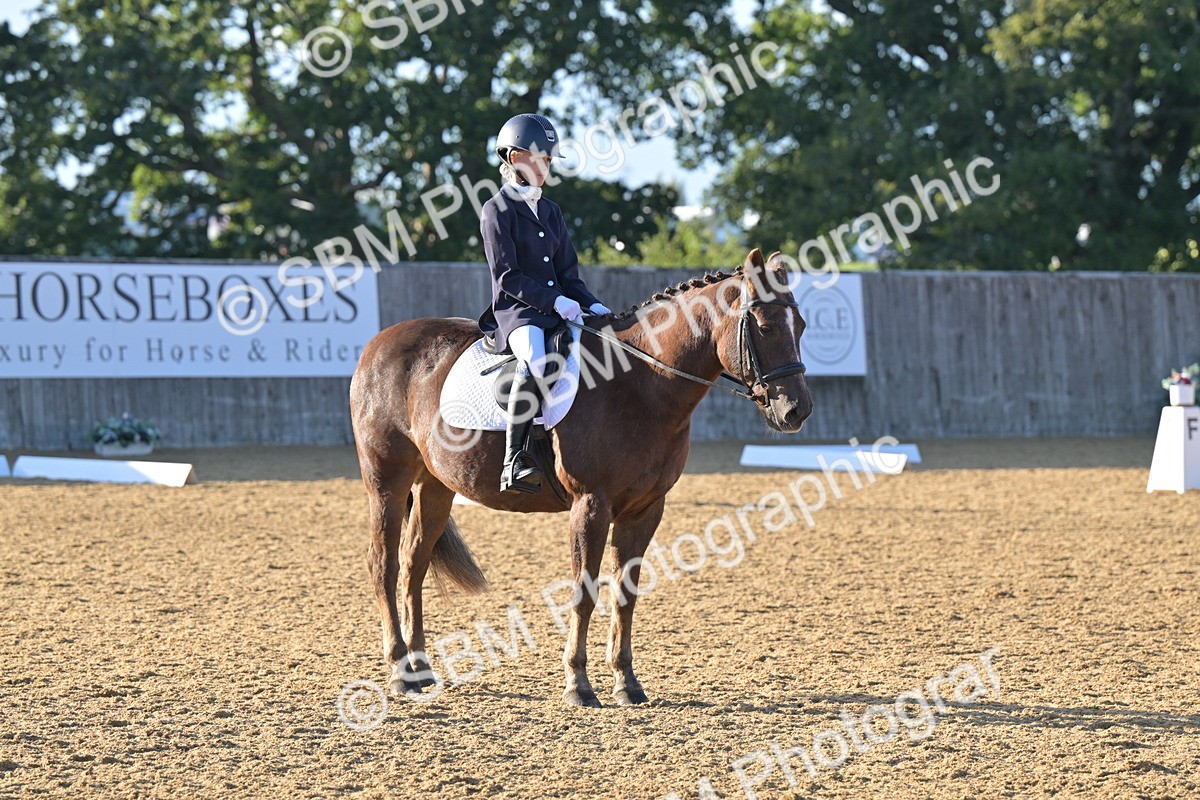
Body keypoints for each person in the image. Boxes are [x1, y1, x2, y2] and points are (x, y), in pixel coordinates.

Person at [477, 113, 611, 494]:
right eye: (539, 158)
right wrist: (555, 301)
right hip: (517, 312)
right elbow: (508, 277)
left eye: (549, 161)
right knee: (536, 357)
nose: (546, 167)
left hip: (560, 306)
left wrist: (592, 304)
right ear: (515, 158)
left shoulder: (551, 211)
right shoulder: (496, 211)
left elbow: (570, 274)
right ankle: (514, 459)